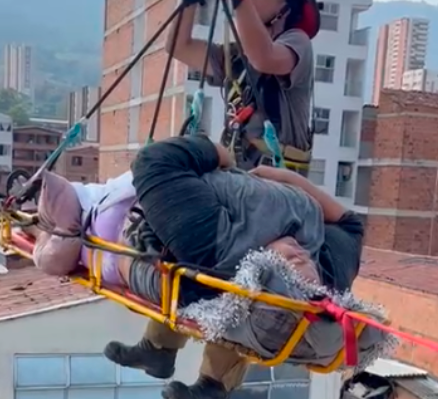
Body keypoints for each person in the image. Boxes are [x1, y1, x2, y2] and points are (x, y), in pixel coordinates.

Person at [27, 136, 377, 399]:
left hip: (199, 210)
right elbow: (350, 222)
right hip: (256, 169)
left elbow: (155, 161)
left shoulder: (215, 241)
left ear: (256, 268)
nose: (298, 265)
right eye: (307, 282)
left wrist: (220, 157)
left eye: (282, 272)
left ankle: (182, 364)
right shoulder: (331, 266)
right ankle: (165, 354)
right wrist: (284, 177)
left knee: (194, 291)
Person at [168, 0, 321, 175]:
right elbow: (180, 47)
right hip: (238, 178)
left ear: (287, 4)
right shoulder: (235, 59)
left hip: (279, 188)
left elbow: (264, 57)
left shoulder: (297, 44)